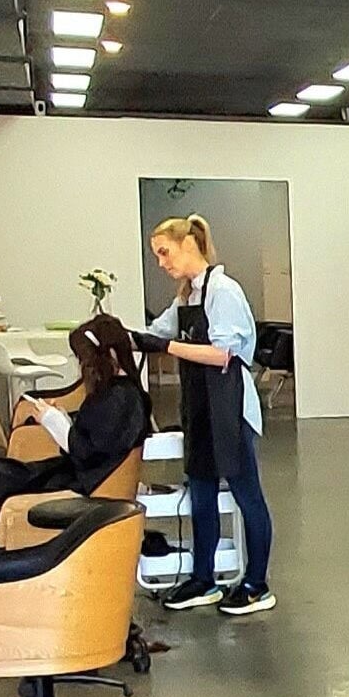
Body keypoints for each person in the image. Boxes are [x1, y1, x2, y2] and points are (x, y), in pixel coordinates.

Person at [140, 215, 275, 617]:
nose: (161, 263)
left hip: (230, 406)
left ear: (188, 244)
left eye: (164, 253)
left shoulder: (223, 291)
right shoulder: (187, 296)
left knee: (247, 495)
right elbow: (157, 330)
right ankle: (203, 579)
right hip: (199, 407)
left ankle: (256, 583)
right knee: (200, 493)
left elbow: (222, 354)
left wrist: (165, 348)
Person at [0, 316, 151, 548]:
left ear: (106, 356)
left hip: (80, 482)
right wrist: (62, 420)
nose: (82, 366)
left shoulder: (120, 398)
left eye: (84, 359)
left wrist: (55, 423)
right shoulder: (118, 394)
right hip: (70, 472)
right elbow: (95, 442)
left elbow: (88, 452)